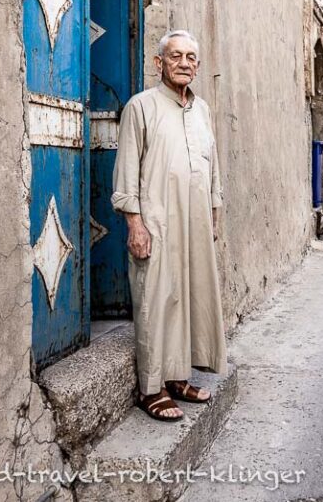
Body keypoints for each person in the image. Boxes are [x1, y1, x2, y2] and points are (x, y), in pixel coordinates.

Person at [111, 29, 227, 421]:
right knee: (156, 302)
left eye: (191, 57)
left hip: (195, 222)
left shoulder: (203, 110)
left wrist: (213, 213)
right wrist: (135, 224)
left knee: (191, 298)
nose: (184, 63)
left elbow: (212, 168)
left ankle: (179, 377)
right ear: (159, 63)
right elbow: (126, 171)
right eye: (175, 56)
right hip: (157, 220)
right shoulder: (140, 107)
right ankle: (152, 388)